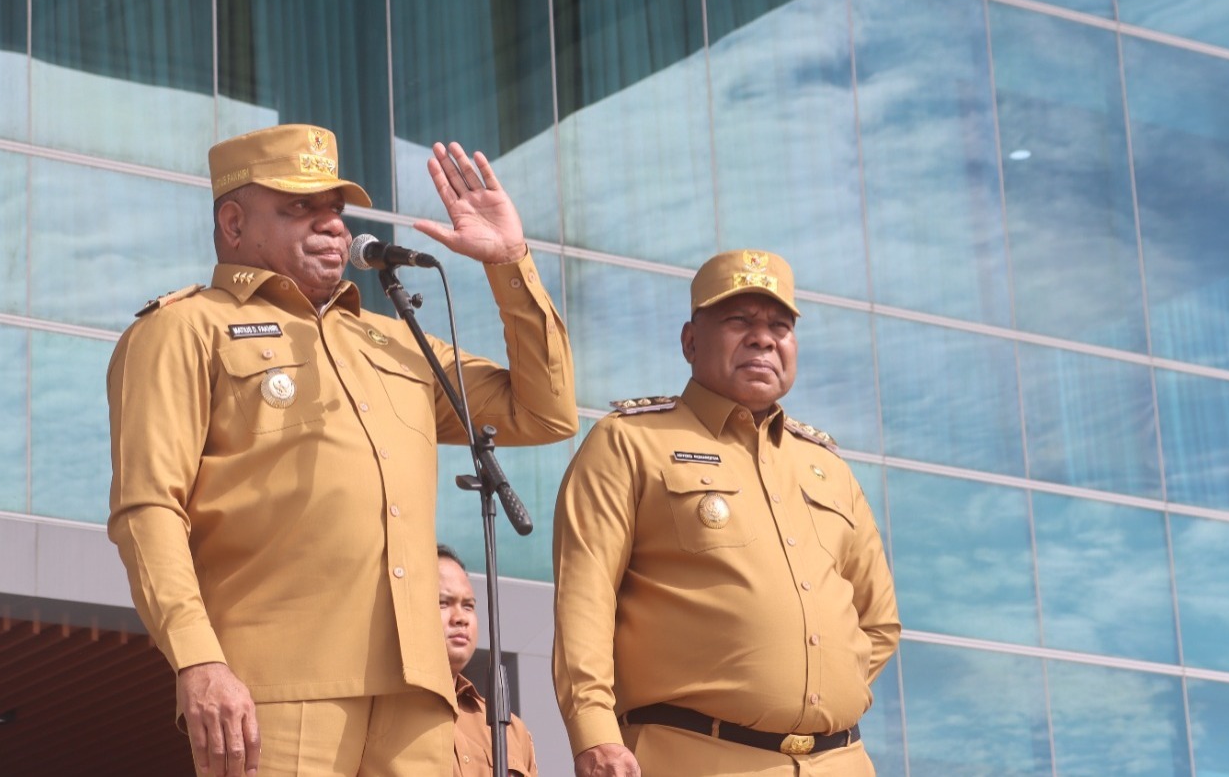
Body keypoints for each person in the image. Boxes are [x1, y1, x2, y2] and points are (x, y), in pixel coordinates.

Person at [107, 123, 577, 777]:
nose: (330, 225)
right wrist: (199, 660)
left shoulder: (394, 341)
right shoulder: (186, 329)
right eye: (299, 207)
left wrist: (508, 262)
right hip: (278, 683)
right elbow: (149, 511)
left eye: (335, 208)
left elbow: (544, 410)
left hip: (415, 693)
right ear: (235, 223)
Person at [551, 249, 900, 777]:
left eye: (780, 325)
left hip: (841, 762)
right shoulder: (630, 442)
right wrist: (593, 731)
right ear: (691, 341)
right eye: (740, 320)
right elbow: (585, 600)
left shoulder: (828, 466)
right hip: (691, 756)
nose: (763, 337)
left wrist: (807, 689)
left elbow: (878, 622)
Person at [438, 544, 538, 777]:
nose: (461, 618)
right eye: (443, 602)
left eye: (468, 606)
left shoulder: (512, 730)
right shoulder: (384, 715)